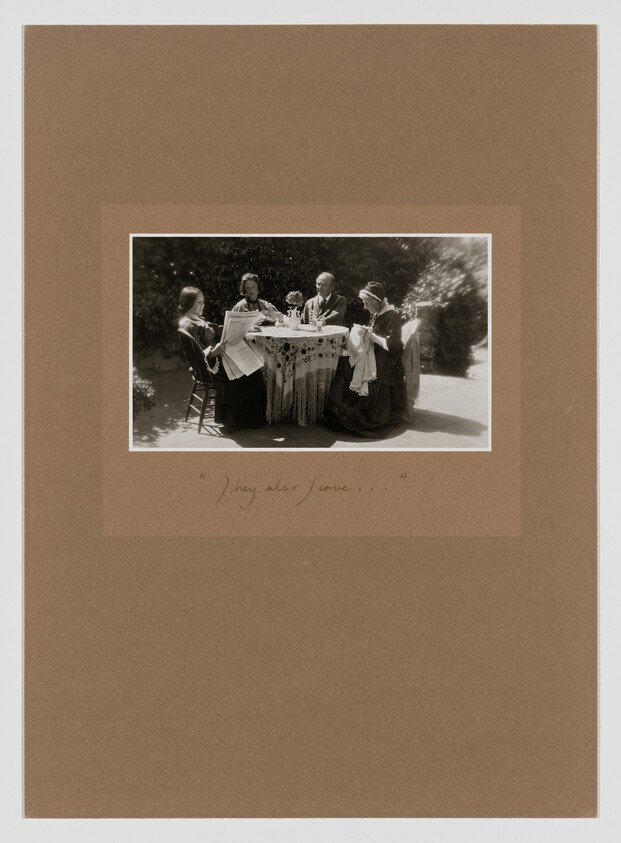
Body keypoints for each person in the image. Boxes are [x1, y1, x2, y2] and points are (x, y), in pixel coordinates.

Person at [177, 286, 266, 435]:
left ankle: (247, 419)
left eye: (203, 302)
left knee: (253, 366)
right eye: (198, 302)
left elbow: (215, 328)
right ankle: (241, 421)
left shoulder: (197, 320)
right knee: (249, 372)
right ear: (188, 303)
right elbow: (198, 357)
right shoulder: (188, 325)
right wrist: (214, 352)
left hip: (217, 360)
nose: (202, 305)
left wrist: (246, 328)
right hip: (210, 368)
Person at [323, 281, 405, 438]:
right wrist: (366, 333)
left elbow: (392, 346)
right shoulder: (377, 313)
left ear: (376, 301)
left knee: (349, 365)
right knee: (346, 361)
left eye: (367, 303)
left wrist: (371, 335)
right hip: (375, 353)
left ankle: (353, 410)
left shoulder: (393, 316)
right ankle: (340, 408)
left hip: (387, 361)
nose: (365, 307)